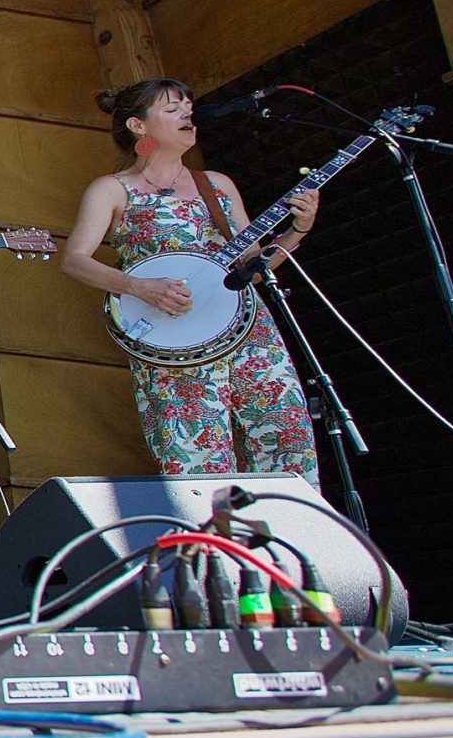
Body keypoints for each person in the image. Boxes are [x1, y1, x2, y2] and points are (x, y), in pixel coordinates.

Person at [61, 78, 321, 484]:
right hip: (174, 343)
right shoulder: (113, 189)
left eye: (188, 106)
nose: (188, 114)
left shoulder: (216, 185)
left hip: (249, 331)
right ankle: (210, 546)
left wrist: (298, 230)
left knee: (286, 437)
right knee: (199, 459)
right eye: (172, 108)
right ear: (138, 126)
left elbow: (256, 265)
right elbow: (75, 260)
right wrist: (138, 287)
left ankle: (284, 543)